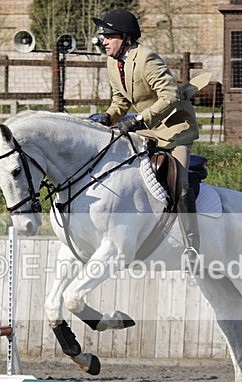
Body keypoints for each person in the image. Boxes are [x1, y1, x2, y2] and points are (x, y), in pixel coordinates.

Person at [92, 9, 201, 272]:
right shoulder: (113, 62)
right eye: (103, 37)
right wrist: (108, 117)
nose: (104, 41)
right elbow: (120, 101)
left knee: (179, 183)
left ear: (126, 38)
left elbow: (170, 97)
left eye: (109, 36)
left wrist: (139, 119)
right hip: (147, 129)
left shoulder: (147, 59)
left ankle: (192, 247)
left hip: (175, 129)